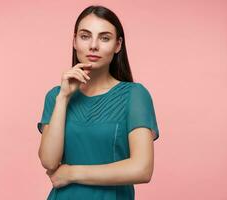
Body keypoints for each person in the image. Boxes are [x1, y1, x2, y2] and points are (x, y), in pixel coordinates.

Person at [37, 5, 160, 200]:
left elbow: (142, 169)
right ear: (74, 41)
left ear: (118, 45)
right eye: (85, 36)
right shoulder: (55, 96)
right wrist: (63, 98)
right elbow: (49, 162)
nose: (93, 45)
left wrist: (71, 173)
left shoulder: (134, 95)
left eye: (104, 38)